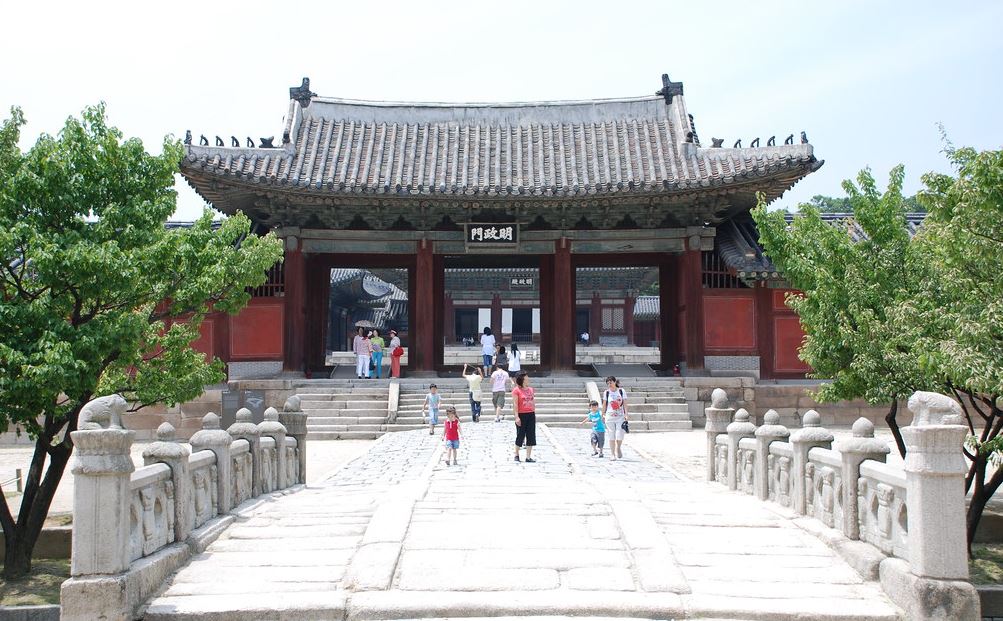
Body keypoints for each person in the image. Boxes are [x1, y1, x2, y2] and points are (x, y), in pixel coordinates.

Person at [512, 371, 537, 463]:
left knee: (531, 435)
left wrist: (533, 411)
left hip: (531, 414)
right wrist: (516, 417)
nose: (528, 379)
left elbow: (533, 400)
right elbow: (515, 404)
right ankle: (516, 454)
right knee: (520, 435)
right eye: (526, 377)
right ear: (522, 379)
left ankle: (528, 457)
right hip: (521, 415)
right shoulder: (516, 390)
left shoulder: (531, 389)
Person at [601, 376, 628, 461]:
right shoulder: (606, 392)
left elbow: (625, 404)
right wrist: (603, 414)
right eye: (608, 383)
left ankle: (618, 447)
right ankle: (612, 454)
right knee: (611, 435)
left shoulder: (621, 391)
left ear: (615, 382)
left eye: (611, 382)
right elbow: (604, 404)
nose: (609, 384)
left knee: (619, 435)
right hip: (610, 416)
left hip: (620, 416)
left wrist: (626, 414)